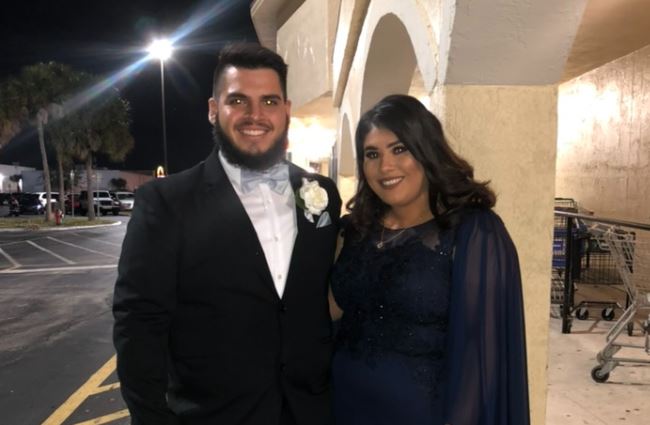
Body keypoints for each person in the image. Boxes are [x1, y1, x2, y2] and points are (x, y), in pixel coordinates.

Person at [113, 43, 342, 425]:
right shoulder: (166, 202)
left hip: (310, 411)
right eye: (238, 100)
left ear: (286, 110)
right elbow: (139, 325)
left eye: (269, 101)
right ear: (213, 109)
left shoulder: (320, 194)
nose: (255, 115)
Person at [330, 94, 529, 424]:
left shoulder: (475, 232)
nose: (385, 167)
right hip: (341, 407)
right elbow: (327, 312)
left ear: (426, 150)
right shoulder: (354, 230)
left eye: (399, 149)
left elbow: (484, 361)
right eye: (372, 154)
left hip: (424, 413)